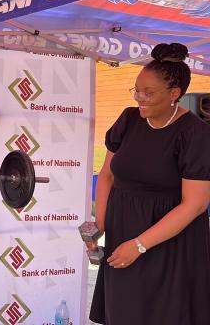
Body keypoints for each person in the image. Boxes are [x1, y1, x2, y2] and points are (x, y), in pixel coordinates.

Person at [89, 43, 210, 324]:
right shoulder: (129, 120)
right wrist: (100, 228)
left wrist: (141, 245)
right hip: (122, 240)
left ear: (174, 94)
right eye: (136, 90)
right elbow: (107, 175)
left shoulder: (195, 134)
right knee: (123, 312)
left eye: (148, 92)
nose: (139, 98)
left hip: (170, 245)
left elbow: (196, 204)